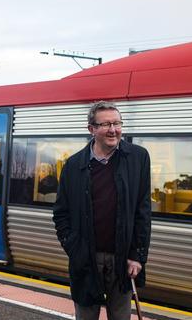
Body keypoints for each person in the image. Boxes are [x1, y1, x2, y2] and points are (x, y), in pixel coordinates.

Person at [53, 101, 151, 320]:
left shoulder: (138, 158)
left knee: (120, 316)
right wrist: (74, 248)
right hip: (86, 258)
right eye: (106, 124)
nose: (113, 129)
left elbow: (142, 211)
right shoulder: (73, 165)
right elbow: (61, 213)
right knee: (86, 316)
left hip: (122, 258)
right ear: (92, 129)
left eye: (117, 123)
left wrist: (137, 255)